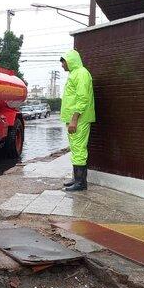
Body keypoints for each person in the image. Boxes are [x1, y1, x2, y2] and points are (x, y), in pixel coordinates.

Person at [60, 50, 95, 191]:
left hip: (79, 119)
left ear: (71, 61)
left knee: (79, 149)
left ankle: (81, 183)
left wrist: (74, 120)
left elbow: (83, 99)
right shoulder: (74, 74)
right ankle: (76, 179)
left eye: (63, 61)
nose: (62, 65)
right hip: (74, 119)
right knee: (75, 148)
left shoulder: (81, 73)